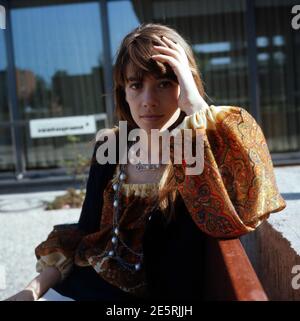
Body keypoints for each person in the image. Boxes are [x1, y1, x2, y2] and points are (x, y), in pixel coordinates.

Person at [5, 23, 286, 301]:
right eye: (136, 85)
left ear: (185, 87)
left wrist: (197, 106)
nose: (148, 100)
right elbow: (85, 234)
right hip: (84, 288)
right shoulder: (111, 148)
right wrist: (31, 291)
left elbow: (251, 201)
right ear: (123, 93)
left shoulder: (199, 153)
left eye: (165, 83)